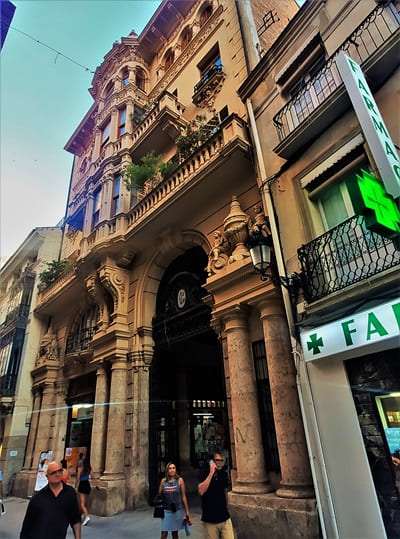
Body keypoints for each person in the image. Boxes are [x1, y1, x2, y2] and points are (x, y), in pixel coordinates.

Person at [20, 460, 81, 539]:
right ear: (47, 476)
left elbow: (75, 519)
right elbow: (27, 526)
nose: (57, 474)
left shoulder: (70, 493)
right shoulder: (38, 497)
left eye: (59, 471)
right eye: (53, 472)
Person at [198, 453, 234, 539]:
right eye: (217, 460)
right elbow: (201, 491)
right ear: (212, 461)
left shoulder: (223, 474)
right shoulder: (205, 472)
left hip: (224, 517)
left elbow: (225, 492)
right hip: (210, 519)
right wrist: (211, 474)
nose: (219, 463)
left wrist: (227, 507)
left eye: (222, 461)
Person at [158, 461, 191, 539]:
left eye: (173, 468)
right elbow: (159, 495)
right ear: (167, 470)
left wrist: (187, 511)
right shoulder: (163, 481)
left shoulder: (180, 480)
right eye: (170, 468)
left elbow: (183, 496)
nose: (172, 470)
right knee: (164, 533)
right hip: (166, 510)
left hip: (177, 510)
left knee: (175, 533)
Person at [76, 455, 100, 526]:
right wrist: (97, 485)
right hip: (87, 484)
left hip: (82, 484)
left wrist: (76, 484)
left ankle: (86, 516)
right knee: (85, 502)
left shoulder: (81, 468)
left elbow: (78, 477)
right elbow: (94, 477)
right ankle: (82, 515)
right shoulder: (89, 469)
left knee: (82, 503)